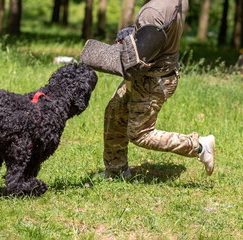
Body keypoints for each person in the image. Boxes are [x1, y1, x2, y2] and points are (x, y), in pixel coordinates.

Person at [80, 0, 215, 179]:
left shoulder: (152, 12)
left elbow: (136, 61)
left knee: (140, 133)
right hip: (158, 72)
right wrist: (136, 34)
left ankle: (198, 146)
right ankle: (116, 171)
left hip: (152, 80)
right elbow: (157, 37)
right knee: (115, 112)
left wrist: (122, 47)